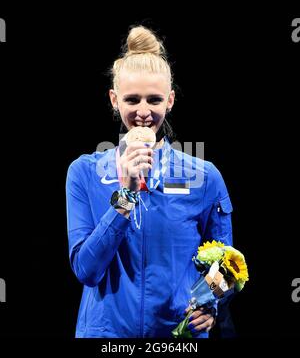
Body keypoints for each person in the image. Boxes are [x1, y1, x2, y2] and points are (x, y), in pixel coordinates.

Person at [66, 26, 234, 338]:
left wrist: (210, 304)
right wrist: (126, 194)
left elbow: (227, 262)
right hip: (106, 336)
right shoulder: (84, 172)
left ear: (170, 101)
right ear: (114, 100)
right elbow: (86, 270)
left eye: (154, 100)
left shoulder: (205, 177)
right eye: (132, 100)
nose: (144, 112)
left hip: (176, 336)